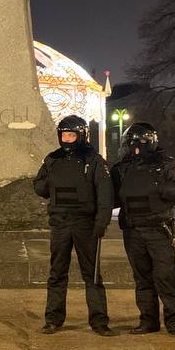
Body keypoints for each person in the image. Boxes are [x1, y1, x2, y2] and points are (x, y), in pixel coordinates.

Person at [32, 115, 114, 335]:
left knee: (92, 274)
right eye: (64, 135)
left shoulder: (93, 160)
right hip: (60, 223)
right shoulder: (53, 159)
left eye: (71, 135)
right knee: (57, 273)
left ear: (82, 135)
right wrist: (50, 182)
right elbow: (39, 186)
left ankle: (99, 321)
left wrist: (102, 222)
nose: (67, 140)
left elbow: (105, 195)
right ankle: (53, 319)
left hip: (85, 224)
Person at [111, 122, 175, 339]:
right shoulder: (122, 168)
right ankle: (148, 320)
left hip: (159, 229)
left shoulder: (166, 164)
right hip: (133, 230)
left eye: (140, 142)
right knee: (142, 279)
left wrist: (156, 188)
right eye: (132, 143)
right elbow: (112, 197)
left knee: (167, 277)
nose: (136, 147)